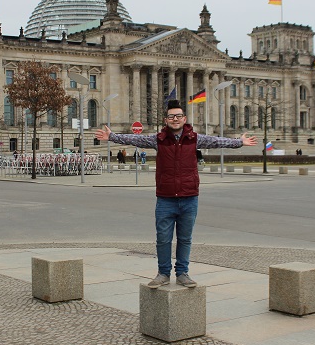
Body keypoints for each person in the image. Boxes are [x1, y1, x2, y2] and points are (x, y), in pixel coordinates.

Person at [95, 99, 257, 288]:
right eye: (171, 116)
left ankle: (182, 273)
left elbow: (216, 141)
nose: (175, 119)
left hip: (189, 197)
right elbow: (135, 139)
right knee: (163, 239)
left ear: (184, 119)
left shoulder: (195, 138)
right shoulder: (158, 139)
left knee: (185, 239)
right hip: (166, 198)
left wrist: (239, 142)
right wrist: (112, 136)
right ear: (166, 120)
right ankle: (163, 273)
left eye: (178, 116)